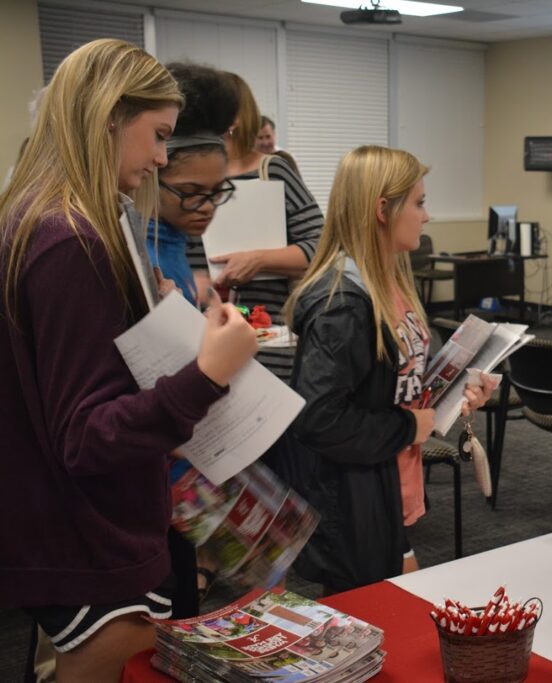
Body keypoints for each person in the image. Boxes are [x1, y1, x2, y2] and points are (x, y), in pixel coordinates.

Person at [0, 39, 257, 681]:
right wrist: (208, 374)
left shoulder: (43, 219)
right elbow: (86, 436)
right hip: (89, 540)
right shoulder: (71, 240)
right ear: (110, 117)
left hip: (70, 530)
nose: (162, 158)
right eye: (159, 135)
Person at [273, 145, 495, 594]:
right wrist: (406, 427)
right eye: (419, 203)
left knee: (396, 620)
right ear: (381, 209)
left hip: (389, 485)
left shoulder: (390, 280)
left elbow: (393, 386)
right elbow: (320, 420)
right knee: (377, 624)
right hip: (353, 497)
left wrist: (454, 393)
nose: (427, 216)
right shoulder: (345, 302)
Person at [186, 72, 323, 382]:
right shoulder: (178, 175)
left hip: (266, 340)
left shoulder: (271, 170)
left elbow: (321, 248)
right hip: (197, 334)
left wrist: (258, 260)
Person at [146, 62, 239, 305]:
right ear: (150, 178)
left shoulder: (173, 244)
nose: (208, 207)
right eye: (190, 192)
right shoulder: (143, 261)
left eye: (217, 191)